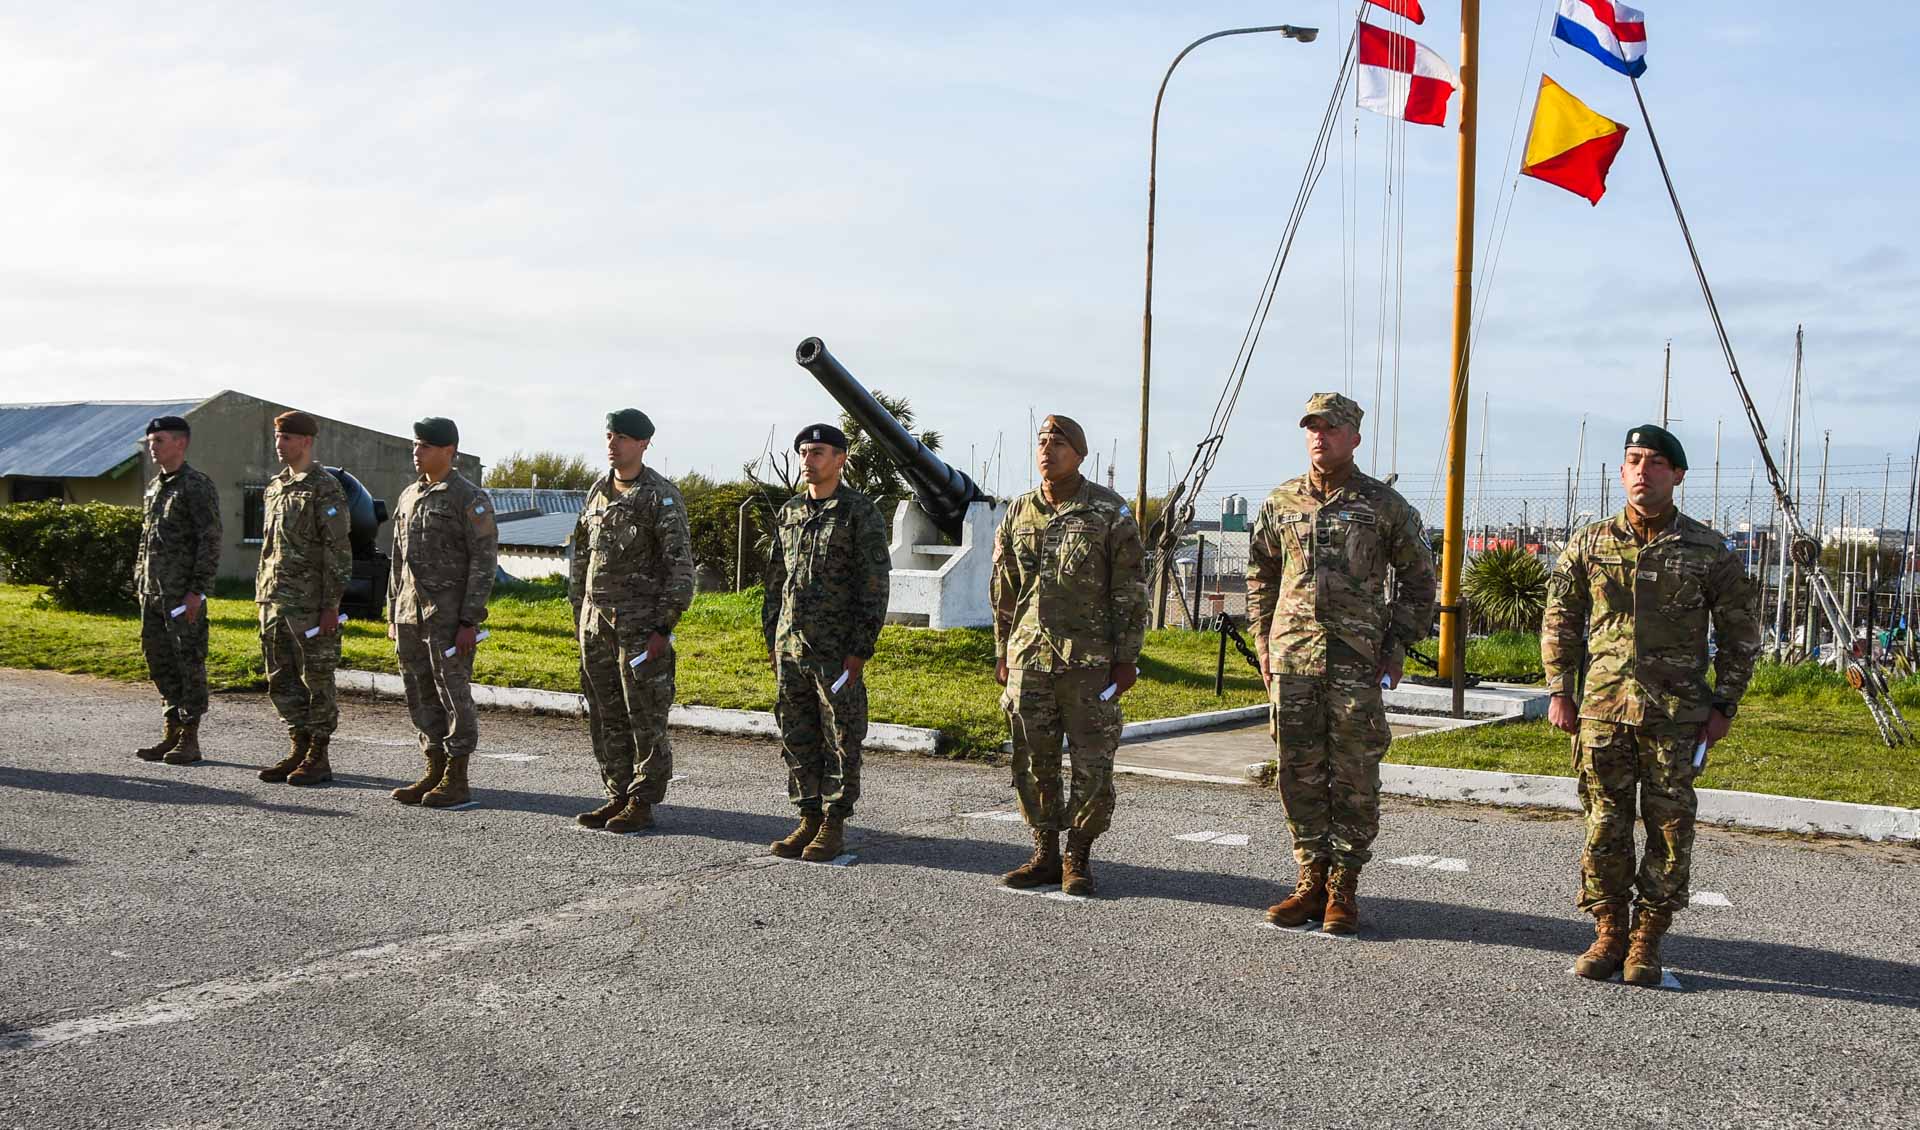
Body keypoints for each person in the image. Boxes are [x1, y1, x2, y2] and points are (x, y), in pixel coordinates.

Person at [1543, 424, 1761, 986]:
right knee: (1604, 825)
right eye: (1633, 460)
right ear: (1621, 472)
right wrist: (1559, 690)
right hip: (1602, 711)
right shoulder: (1589, 543)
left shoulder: (1708, 549)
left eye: (1656, 462)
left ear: (1678, 475)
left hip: (1677, 713)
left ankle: (1648, 939)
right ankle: (1610, 930)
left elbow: (1740, 634)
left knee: (1669, 828)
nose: (1643, 470)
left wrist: (1725, 706)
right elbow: (1561, 619)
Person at [1247, 392, 1437, 935]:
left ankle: (1344, 888)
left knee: (1354, 774)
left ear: (1354, 436)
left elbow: (1421, 578)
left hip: (1356, 660)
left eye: (1331, 427)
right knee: (1298, 772)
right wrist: (1264, 641)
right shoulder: (1281, 501)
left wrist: (1397, 644)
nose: (1319, 436)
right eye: (1312, 427)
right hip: (1293, 658)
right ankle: (1310, 880)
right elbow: (1261, 573)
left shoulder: (1383, 505)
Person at [989, 414, 1147, 895]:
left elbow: (1130, 588)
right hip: (1028, 659)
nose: (1047, 449)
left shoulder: (1108, 511)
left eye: (1059, 442)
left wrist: (1126, 659)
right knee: (1032, 760)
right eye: (1041, 441)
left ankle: (1078, 854)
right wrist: (1002, 650)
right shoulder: (1019, 512)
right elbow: (1005, 588)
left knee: (1091, 761)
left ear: (1080, 454)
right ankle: (1044, 852)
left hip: (1088, 662)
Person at [761, 423, 891, 862]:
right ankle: (808, 816)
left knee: (840, 735)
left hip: (835, 651)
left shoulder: (859, 512)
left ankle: (834, 823)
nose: (807, 460)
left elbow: (873, 586)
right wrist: (771, 639)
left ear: (840, 459)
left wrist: (860, 648)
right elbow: (776, 580)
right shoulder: (791, 511)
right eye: (803, 452)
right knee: (797, 733)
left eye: (817, 452)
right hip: (790, 646)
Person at [569, 409, 694, 834]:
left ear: (643, 444)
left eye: (622, 437)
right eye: (609, 435)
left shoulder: (660, 496)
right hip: (595, 624)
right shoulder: (597, 492)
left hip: (640, 627)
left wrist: (664, 627)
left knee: (645, 715)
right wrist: (578, 615)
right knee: (605, 713)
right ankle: (617, 793)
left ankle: (642, 800)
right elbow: (582, 559)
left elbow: (680, 569)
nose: (613, 443)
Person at [387, 416, 499, 809]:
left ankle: (457, 776)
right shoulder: (408, 496)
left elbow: (483, 562)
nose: (417, 453)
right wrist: (392, 612)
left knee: (453, 694)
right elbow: (397, 561)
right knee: (419, 692)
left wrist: (470, 619)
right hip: (408, 614)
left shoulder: (468, 498)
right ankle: (433, 767)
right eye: (415, 445)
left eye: (425, 446)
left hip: (448, 618)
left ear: (449, 451)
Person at [254, 410, 353, 786]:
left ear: (306, 441)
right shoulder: (275, 487)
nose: (280, 445)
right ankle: (298, 745)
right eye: (278, 438)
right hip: (275, 600)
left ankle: (319, 754)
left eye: (287, 438)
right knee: (280, 676)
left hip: (310, 604)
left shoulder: (324, 488)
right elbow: (268, 548)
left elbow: (338, 550)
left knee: (317, 677)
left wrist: (332, 605)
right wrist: (262, 595)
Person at [132, 415, 222, 765]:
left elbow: (210, 540)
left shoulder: (196, 485)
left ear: (180, 443)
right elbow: (147, 540)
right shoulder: (156, 486)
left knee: (188, 661)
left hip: (182, 594)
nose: (152, 447)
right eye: (151, 441)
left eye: (159, 441)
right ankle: (171, 729)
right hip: (152, 592)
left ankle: (190, 736)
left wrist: (197, 591)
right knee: (159, 659)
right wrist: (140, 581)